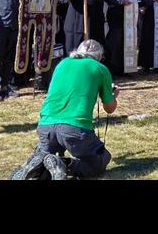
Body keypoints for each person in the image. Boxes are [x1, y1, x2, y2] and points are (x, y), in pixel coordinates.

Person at [12, 40, 117, 180]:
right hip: (74, 128)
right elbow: (110, 108)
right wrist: (113, 95)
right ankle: (64, 164)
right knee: (100, 160)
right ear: (98, 56)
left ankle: (40, 167)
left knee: (46, 157)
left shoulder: (62, 63)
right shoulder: (99, 68)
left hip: (46, 125)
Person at [101, 0, 138, 76]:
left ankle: (125, 69)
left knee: (124, 44)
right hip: (115, 17)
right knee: (114, 44)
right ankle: (113, 70)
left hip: (126, 19)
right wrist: (120, 1)